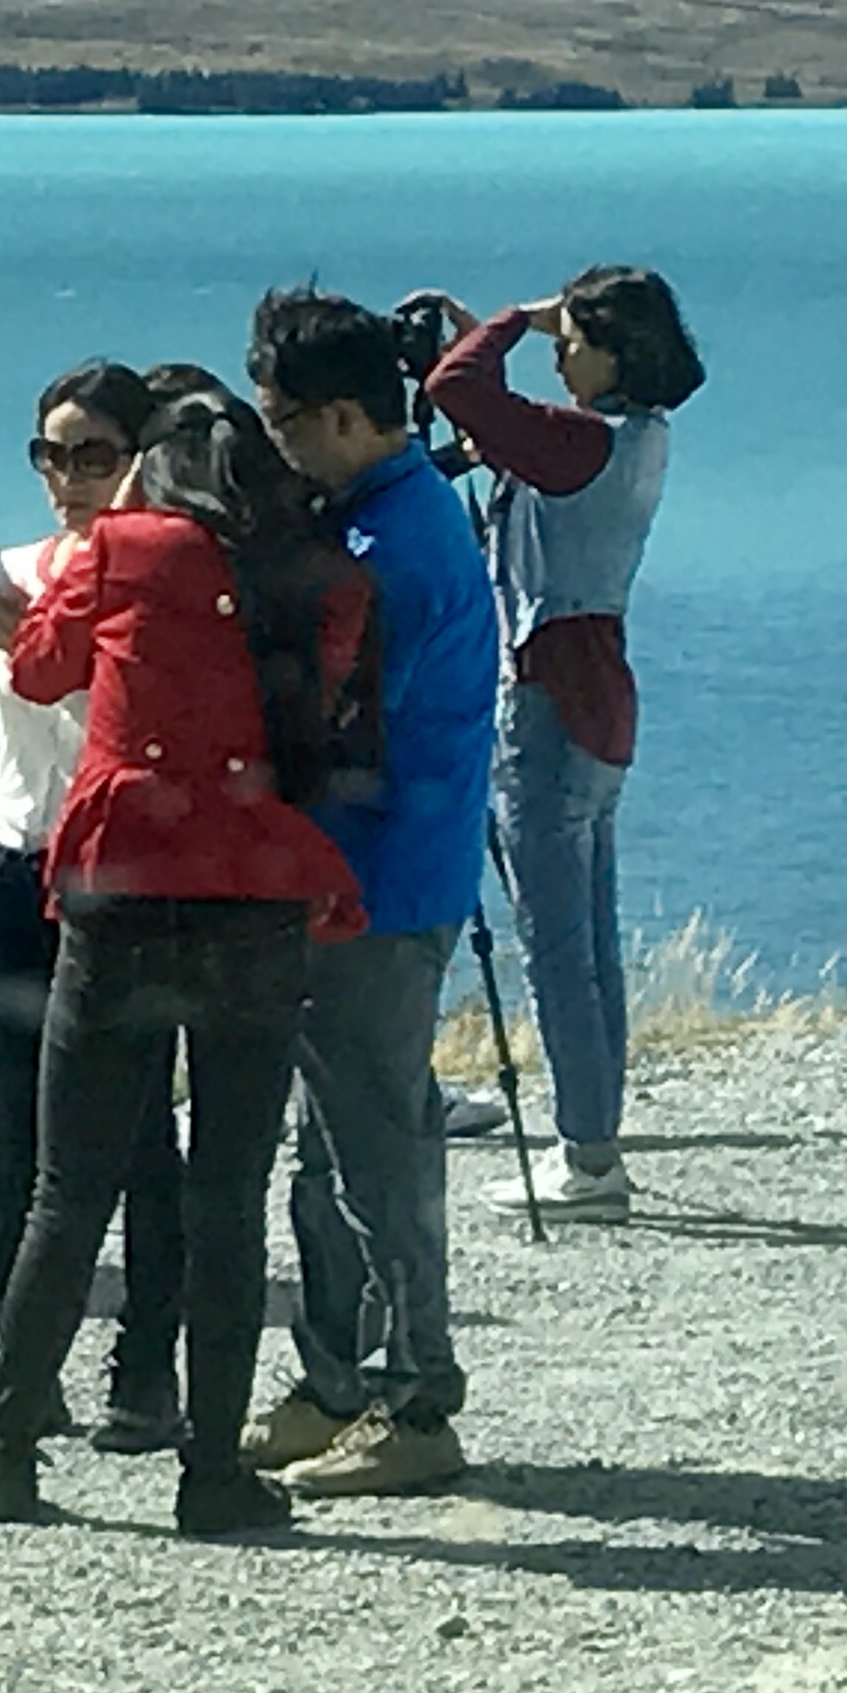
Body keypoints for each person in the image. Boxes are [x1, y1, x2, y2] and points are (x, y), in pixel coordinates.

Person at [0, 387, 371, 1539]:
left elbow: (41, 671)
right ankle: (210, 1473)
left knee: (68, 1188)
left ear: (157, 470)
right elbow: (330, 704)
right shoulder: (316, 573)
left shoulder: (123, 547)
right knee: (227, 1195)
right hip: (254, 889)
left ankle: (8, 1455)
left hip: (122, 886)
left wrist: (13, 610)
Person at [242, 286, 504, 1500]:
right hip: (352, 872)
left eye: (285, 422)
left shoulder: (391, 549)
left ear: (345, 417)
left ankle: (418, 1395)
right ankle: (335, 1378)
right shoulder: (379, 515)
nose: (276, 444)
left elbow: (338, 722)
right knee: (327, 1144)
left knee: (380, 1147)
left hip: (383, 880)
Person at [0, 362, 183, 1453]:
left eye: (93, 457)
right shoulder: (20, 569)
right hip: (10, 863)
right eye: (50, 456)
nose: (68, 480)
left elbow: (122, 718)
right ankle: (22, 1365)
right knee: (8, 1138)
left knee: (139, 1134)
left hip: (113, 876)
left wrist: (31, 636)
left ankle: (146, 1371)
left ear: (140, 461)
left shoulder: (158, 577)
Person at [422, 270, 707, 1220]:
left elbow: (456, 389)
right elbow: (500, 427)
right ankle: (596, 1137)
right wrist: (511, 342)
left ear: (617, 353)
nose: (558, 354)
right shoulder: (635, 436)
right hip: (601, 694)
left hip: (549, 696)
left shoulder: (582, 443)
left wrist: (509, 320)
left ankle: (587, 1159)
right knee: (590, 940)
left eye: (572, 341)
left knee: (553, 948)